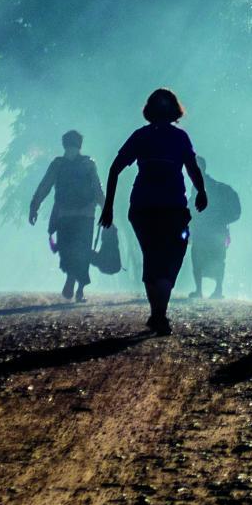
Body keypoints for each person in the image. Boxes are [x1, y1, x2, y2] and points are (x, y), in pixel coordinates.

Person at [100, 87, 209, 335]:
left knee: (152, 256)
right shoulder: (180, 138)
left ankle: (157, 313)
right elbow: (192, 168)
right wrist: (201, 191)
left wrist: (108, 206)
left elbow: (115, 168)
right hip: (172, 208)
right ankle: (159, 313)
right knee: (171, 257)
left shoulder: (141, 136)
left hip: (144, 208)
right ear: (175, 112)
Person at [27, 129, 104, 301]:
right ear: (80, 145)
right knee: (83, 251)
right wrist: (106, 210)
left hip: (65, 214)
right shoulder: (88, 164)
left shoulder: (58, 164)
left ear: (64, 144)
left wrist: (34, 206)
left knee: (67, 250)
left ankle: (70, 278)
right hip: (86, 215)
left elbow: (45, 186)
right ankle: (80, 290)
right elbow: (98, 190)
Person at [189, 157, 242, 299]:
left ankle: (206, 290)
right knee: (215, 259)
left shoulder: (204, 187)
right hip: (215, 232)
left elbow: (192, 209)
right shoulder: (208, 186)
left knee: (201, 259)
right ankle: (215, 290)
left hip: (206, 231)